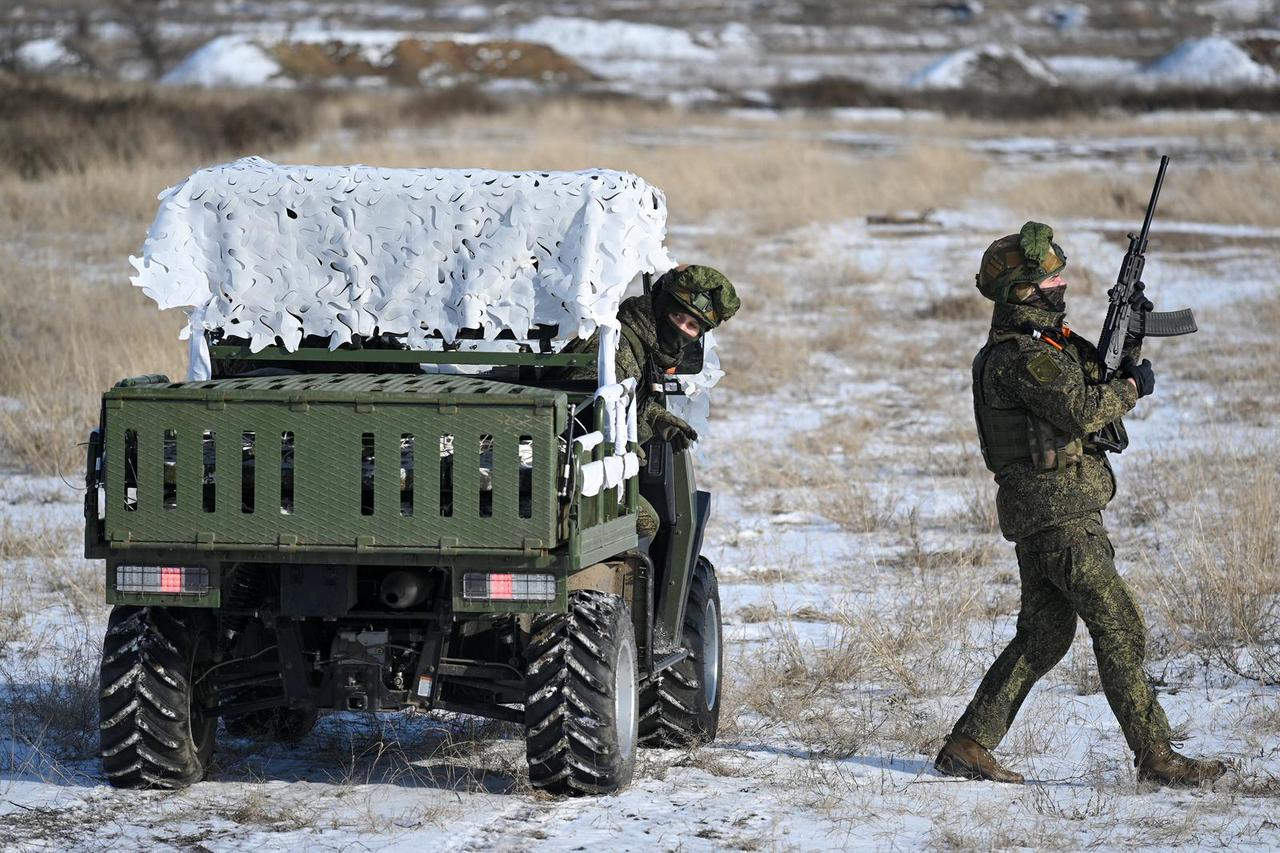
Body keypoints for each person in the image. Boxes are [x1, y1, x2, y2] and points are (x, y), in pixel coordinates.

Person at [934, 222, 1227, 787]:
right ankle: (1156, 757)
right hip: (1058, 516)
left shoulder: (1049, 344)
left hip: (1049, 512)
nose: (1061, 283)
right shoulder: (1019, 356)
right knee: (1119, 623)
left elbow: (1098, 376)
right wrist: (1133, 390)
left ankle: (970, 743)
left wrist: (1133, 329)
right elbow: (1080, 407)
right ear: (1022, 290)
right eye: (1050, 278)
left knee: (1044, 637)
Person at [555, 264, 739, 539]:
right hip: (567, 471)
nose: (682, 329)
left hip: (578, 466)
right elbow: (585, 415)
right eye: (677, 315)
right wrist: (629, 450)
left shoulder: (640, 342)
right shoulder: (615, 347)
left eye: (692, 326)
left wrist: (653, 415)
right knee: (647, 523)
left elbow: (621, 399)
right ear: (660, 305)